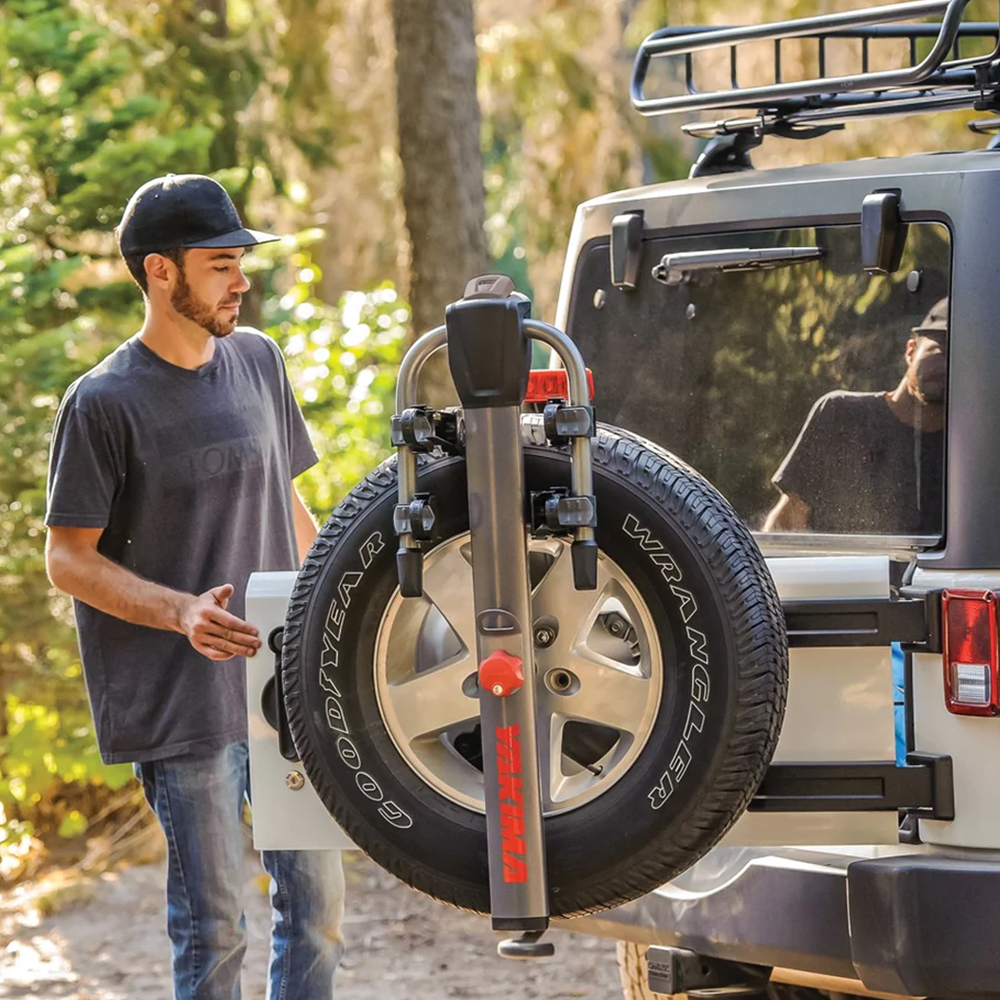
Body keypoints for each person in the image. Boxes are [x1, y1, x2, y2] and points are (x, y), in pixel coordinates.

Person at [44, 174, 345, 1000]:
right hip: (181, 704)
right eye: (221, 264)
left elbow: (292, 504)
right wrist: (180, 612)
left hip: (280, 687)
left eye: (241, 261)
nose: (242, 280)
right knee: (215, 929)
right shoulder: (102, 402)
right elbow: (66, 558)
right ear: (160, 272)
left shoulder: (258, 361)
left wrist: (337, 612)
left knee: (317, 907)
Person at [764, 298, 947, 535]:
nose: (948, 367)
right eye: (939, 352)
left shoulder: (971, 453)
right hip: (840, 572)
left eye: (962, 358)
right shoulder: (842, 413)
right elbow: (788, 523)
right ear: (911, 351)